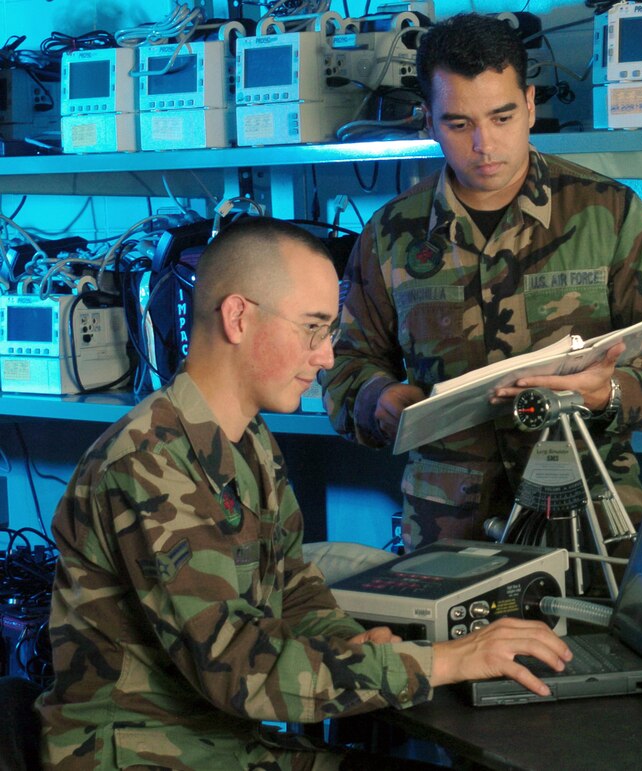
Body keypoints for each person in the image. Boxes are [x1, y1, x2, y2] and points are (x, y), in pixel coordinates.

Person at [36, 217, 571, 770]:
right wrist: (443, 661)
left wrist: (355, 646)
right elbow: (238, 671)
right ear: (238, 317)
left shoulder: (248, 440)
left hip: (223, 743)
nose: (326, 358)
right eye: (313, 328)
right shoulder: (148, 463)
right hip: (147, 755)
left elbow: (292, 587)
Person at [322, 13, 642, 551]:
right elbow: (343, 367)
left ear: (530, 104)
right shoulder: (392, 234)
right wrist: (377, 399)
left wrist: (612, 392)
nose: (484, 144)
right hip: (448, 535)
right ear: (429, 121)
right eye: (459, 124)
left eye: (502, 117)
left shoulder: (609, 214)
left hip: (591, 523)